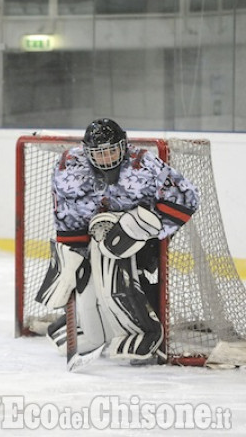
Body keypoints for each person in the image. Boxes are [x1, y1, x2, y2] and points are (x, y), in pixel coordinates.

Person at [36, 118, 200, 365]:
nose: (105, 159)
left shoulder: (143, 164)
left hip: (142, 236)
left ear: (124, 146)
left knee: (116, 270)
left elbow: (186, 199)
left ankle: (142, 330)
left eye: (111, 151)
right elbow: (69, 216)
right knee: (83, 279)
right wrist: (70, 256)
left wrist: (144, 228)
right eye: (98, 153)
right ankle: (86, 328)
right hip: (95, 232)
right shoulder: (69, 167)